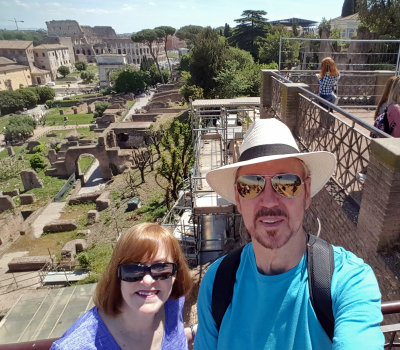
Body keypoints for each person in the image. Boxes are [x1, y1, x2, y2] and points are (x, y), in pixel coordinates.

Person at [195, 118, 384, 349]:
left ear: (306, 195)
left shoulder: (347, 281)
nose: (268, 200)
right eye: (250, 185)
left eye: (286, 182)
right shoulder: (216, 283)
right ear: (238, 199)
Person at [51, 222, 193, 350]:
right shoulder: (75, 346)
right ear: (117, 275)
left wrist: (194, 332)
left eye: (161, 268)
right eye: (132, 270)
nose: (148, 280)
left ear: (175, 274)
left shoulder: (173, 304)